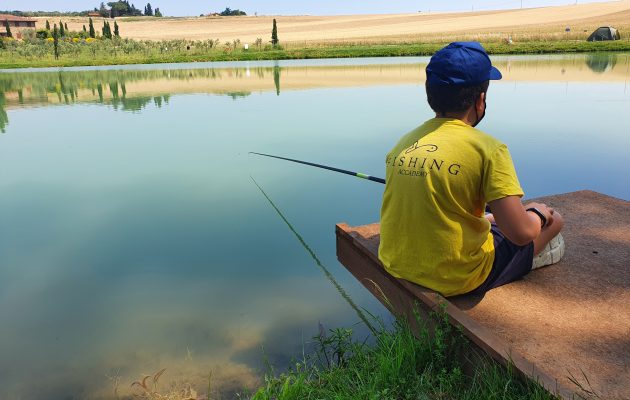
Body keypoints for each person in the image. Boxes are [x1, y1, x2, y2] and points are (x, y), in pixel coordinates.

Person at [378, 42, 564, 297]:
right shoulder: (489, 149)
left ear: (430, 95)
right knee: (553, 222)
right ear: (481, 100)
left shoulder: (404, 142)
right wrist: (538, 214)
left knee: (490, 213)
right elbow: (522, 234)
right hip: (458, 279)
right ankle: (529, 260)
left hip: (396, 264)